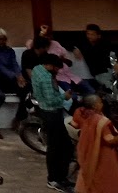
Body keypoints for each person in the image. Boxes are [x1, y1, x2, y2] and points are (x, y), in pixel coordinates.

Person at [31, 52, 74, 193]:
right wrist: (65, 96)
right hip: (51, 114)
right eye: (56, 68)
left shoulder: (38, 69)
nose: (56, 71)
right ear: (49, 65)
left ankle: (59, 177)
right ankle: (56, 179)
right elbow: (51, 100)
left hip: (46, 112)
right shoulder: (46, 78)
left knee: (59, 147)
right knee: (60, 148)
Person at [72, 92, 118, 193]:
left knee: (87, 175)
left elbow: (75, 124)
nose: (102, 104)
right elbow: (109, 139)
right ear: (95, 106)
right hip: (102, 155)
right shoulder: (102, 121)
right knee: (104, 179)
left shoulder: (80, 113)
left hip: (86, 151)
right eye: (100, 102)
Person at [0, 27, 29, 127]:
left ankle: (19, 117)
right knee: (0, 95)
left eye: (3, 39)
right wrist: (16, 77)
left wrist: (19, 76)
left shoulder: (10, 51)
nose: (2, 41)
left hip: (11, 78)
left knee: (25, 89)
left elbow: (14, 64)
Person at [78, 24, 118, 91]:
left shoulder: (104, 44)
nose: (89, 36)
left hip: (108, 71)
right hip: (95, 74)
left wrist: (114, 62)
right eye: (88, 34)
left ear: (98, 36)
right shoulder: (84, 44)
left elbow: (117, 51)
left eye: (92, 34)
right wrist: (75, 48)